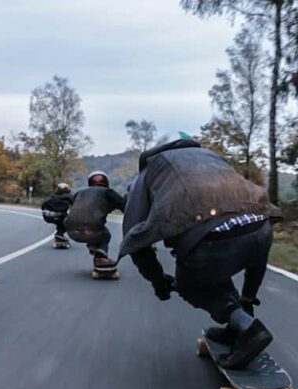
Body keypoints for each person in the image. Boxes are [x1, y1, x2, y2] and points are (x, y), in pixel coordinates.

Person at [119, 136, 281, 369]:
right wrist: (248, 296)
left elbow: (135, 239)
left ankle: (249, 329)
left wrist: (157, 281)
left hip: (213, 243)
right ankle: (239, 321)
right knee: (234, 251)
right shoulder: (212, 158)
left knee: (189, 284)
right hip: (262, 228)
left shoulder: (148, 171)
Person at [65, 171, 125, 273]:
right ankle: (100, 258)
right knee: (105, 234)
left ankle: (93, 245)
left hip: (71, 232)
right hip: (93, 231)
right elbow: (124, 205)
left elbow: (75, 206)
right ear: (106, 182)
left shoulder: (79, 193)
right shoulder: (107, 192)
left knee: (93, 225)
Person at [41, 182, 74, 247]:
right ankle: (59, 234)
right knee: (68, 222)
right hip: (60, 215)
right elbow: (75, 204)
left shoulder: (53, 196)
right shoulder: (69, 196)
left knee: (60, 223)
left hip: (48, 216)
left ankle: (59, 236)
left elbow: (43, 205)